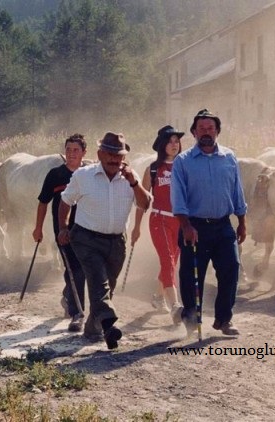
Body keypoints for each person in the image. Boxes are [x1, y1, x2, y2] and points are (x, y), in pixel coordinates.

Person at [57, 132, 152, 349]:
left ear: (124, 157)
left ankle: (93, 328)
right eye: (109, 154)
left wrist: (135, 183)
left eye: (118, 155)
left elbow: (145, 204)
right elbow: (65, 202)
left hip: (117, 242)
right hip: (85, 239)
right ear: (100, 154)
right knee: (99, 283)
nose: (114, 159)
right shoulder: (84, 175)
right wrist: (63, 227)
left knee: (108, 288)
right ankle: (110, 327)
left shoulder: (130, 177)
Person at [170, 109, 247, 336]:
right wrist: (186, 226)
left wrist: (242, 221)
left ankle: (224, 320)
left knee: (231, 268)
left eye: (210, 128)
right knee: (192, 275)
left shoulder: (229, 157)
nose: (206, 132)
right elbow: (178, 197)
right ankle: (191, 317)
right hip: (194, 227)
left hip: (223, 225)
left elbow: (237, 191)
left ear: (217, 131)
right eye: (201, 129)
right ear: (194, 132)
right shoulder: (183, 162)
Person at [33, 134, 88, 332]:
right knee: (75, 268)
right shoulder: (55, 175)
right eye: (68, 150)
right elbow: (43, 203)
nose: (71, 154)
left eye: (76, 150)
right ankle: (77, 313)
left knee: (82, 268)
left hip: (87, 228)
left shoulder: (89, 173)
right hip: (63, 230)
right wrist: (38, 228)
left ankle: (67, 296)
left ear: (84, 153)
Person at [131, 125, 184, 324]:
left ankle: (158, 296)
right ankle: (176, 307)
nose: (174, 145)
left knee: (172, 262)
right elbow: (142, 201)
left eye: (176, 141)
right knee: (167, 260)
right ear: (162, 145)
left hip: (180, 221)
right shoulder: (152, 169)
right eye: (170, 141)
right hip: (159, 219)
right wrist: (136, 227)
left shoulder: (185, 166)